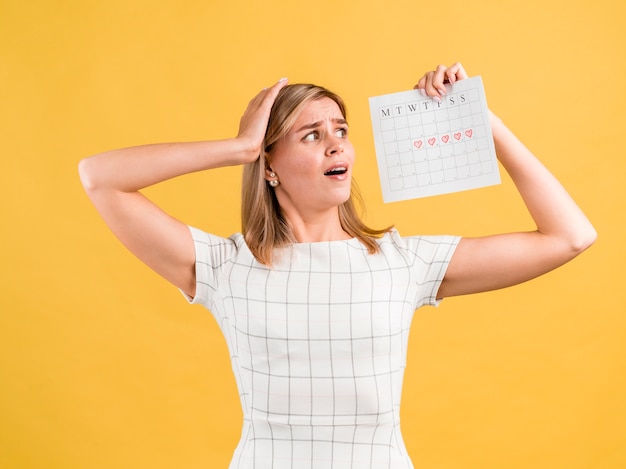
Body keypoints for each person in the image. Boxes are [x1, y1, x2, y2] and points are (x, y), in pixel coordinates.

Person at [78, 62, 596, 468]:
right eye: (310, 134)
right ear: (270, 165)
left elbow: (570, 236)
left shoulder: (403, 262)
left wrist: (481, 119)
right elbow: (100, 177)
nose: (335, 143)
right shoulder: (224, 266)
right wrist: (237, 148)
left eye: (340, 130)